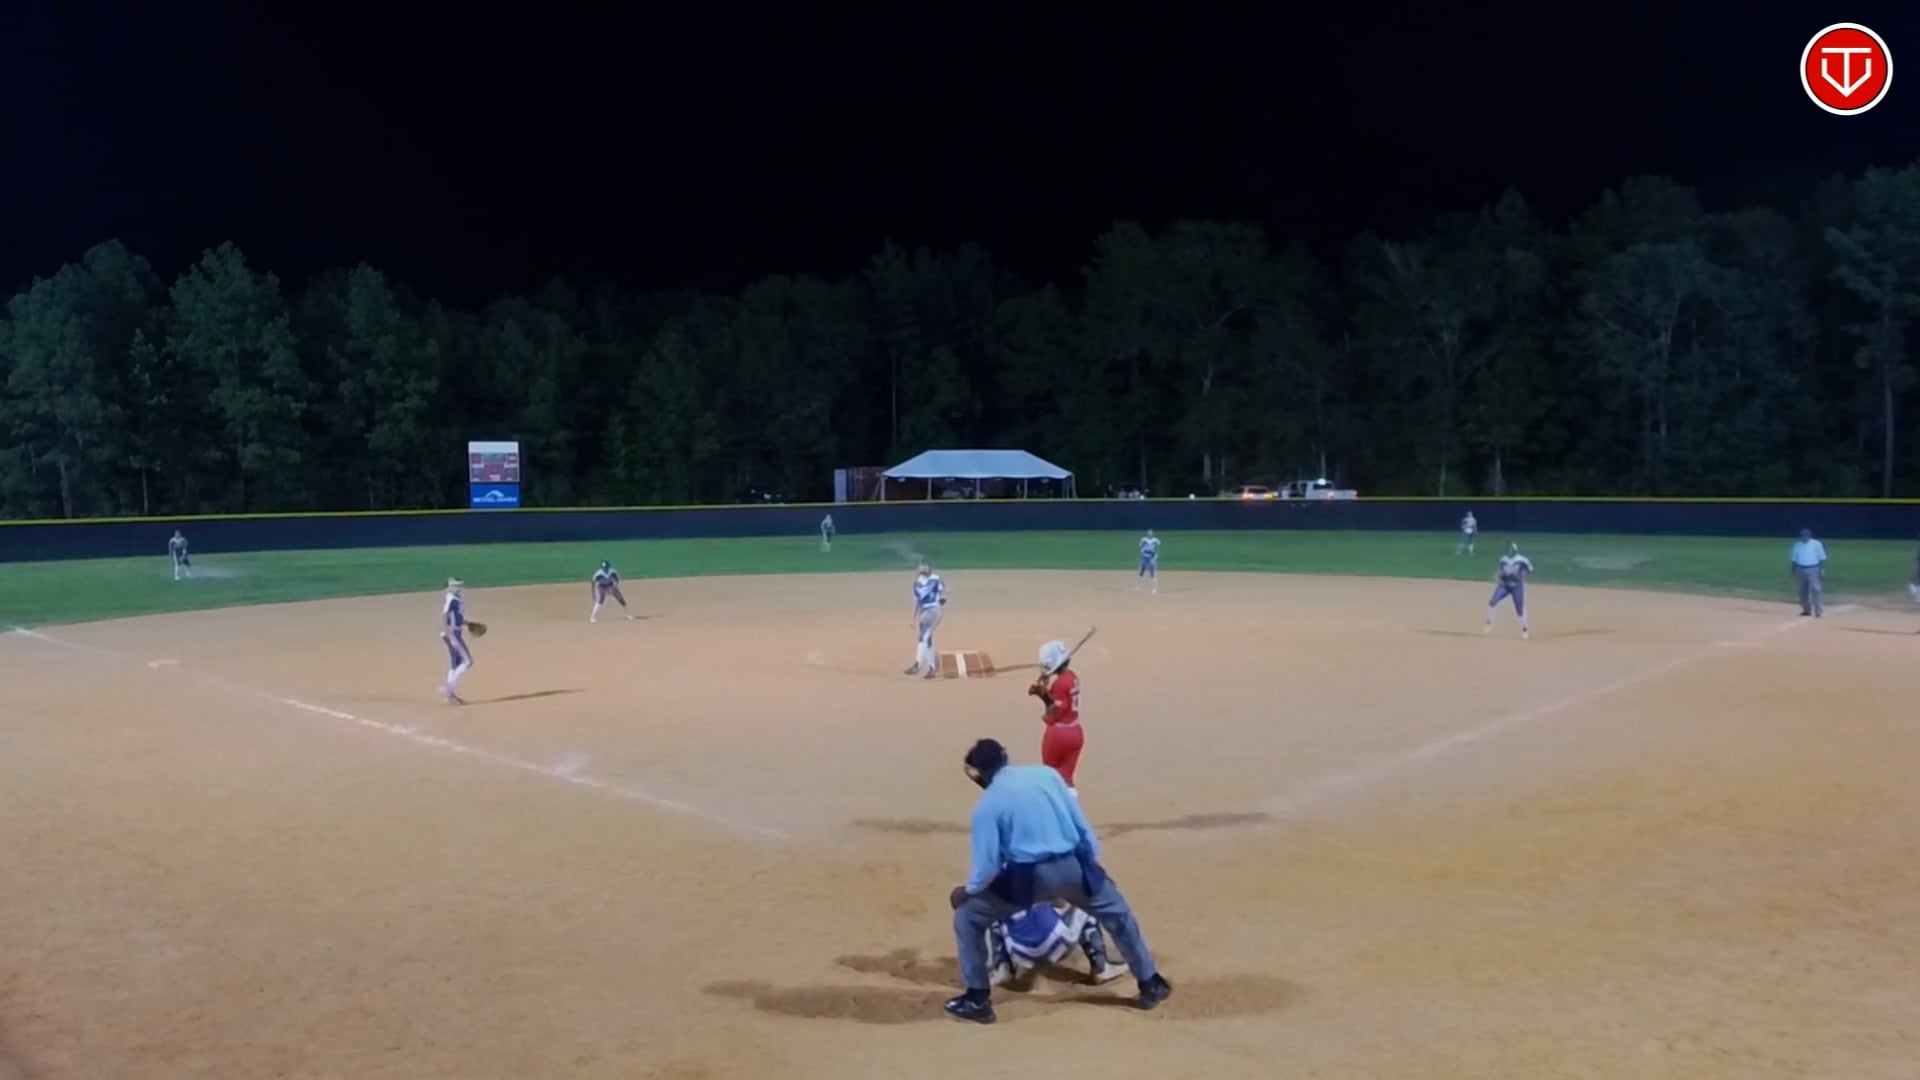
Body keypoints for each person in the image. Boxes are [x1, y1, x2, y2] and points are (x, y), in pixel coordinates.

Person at [945, 738, 1171, 1024]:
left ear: (977, 773)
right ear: (1005, 757)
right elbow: (1080, 823)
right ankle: (1149, 981)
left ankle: (977, 997)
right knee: (1117, 913)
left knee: (968, 918)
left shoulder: (987, 806)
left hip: (1026, 878)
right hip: (1072, 866)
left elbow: (987, 867)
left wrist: (968, 892)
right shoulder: (1047, 775)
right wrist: (1091, 867)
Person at [984, 900, 1128, 987]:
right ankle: (1101, 967)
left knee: (993, 915)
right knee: (1086, 903)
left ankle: (1002, 967)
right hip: (1057, 945)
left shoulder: (995, 880)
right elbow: (1060, 902)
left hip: (1019, 953)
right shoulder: (1038, 869)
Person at [1029, 640, 1085, 794]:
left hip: (1059, 734)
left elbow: (1055, 712)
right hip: (1076, 730)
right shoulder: (1072, 677)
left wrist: (1043, 696)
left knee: (1050, 776)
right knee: (1067, 778)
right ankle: (1072, 803)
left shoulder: (1059, 684)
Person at [905, 558, 946, 679]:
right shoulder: (916, 584)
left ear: (930, 567)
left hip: (934, 610)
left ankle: (917, 665)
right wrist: (913, 619)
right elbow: (916, 602)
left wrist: (942, 600)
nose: (923, 568)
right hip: (924, 613)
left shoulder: (936, 579)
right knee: (927, 640)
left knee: (924, 637)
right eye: (921, 566)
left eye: (925, 566)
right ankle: (932, 668)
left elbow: (942, 594)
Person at [1486, 541, 1532, 639]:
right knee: (1492, 602)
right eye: (1509, 549)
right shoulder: (1503, 559)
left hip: (1517, 587)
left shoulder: (1521, 560)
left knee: (1519, 609)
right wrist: (1498, 575)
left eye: (1512, 549)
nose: (1510, 551)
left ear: (1515, 550)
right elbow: (1501, 571)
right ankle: (1489, 623)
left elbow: (1530, 569)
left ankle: (1525, 629)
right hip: (1505, 585)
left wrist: (1523, 576)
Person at [441, 577, 474, 704]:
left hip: (454, 632)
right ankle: (449, 688)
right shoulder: (451, 598)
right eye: (457, 586)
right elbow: (445, 614)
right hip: (453, 633)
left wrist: (467, 623)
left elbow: (456, 616)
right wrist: (446, 630)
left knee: (455, 663)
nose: (460, 588)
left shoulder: (456, 599)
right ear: (452, 587)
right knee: (468, 662)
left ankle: (450, 696)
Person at [1790, 528, 1827, 618]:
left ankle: (1818, 611)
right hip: (1800, 569)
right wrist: (1793, 570)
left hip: (1813, 568)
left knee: (1816, 589)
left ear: (1809, 536)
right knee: (1802, 591)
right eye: (1802, 536)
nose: (1803, 537)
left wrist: (1821, 569)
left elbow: (1822, 558)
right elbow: (1794, 559)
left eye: (1805, 536)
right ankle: (1806, 610)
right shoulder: (1797, 545)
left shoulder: (1816, 544)